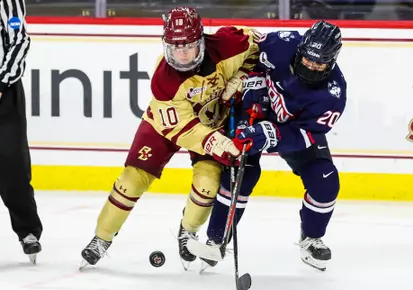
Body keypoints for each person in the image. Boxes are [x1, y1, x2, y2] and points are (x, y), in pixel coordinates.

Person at [80, 6, 260, 270]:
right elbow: (181, 129)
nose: (183, 54)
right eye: (176, 47)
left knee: (208, 185)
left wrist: (243, 75)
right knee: (131, 181)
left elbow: (259, 49)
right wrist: (214, 141)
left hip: (211, 121)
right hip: (166, 126)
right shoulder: (164, 79)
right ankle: (102, 237)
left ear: (201, 39)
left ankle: (187, 232)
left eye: (188, 46)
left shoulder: (229, 43)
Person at [190, 20, 347, 272]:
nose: (312, 66)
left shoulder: (332, 94)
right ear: (301, 48)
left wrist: (270, 133)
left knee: (325, 181)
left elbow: (307, 134)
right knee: (243, 173)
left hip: (290, 129)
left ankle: (311, 238)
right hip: (250, 110)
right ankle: (216, 239)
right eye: (308, 59)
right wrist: (240, 77)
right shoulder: (281, 43)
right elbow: (242, 43)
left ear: (332, 60)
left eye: (320, 63)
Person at [0, 0, 43, 264]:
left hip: (5, 93)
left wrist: (3, 81)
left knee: (12, 166)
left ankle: (27, 231)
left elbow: (19, 42)